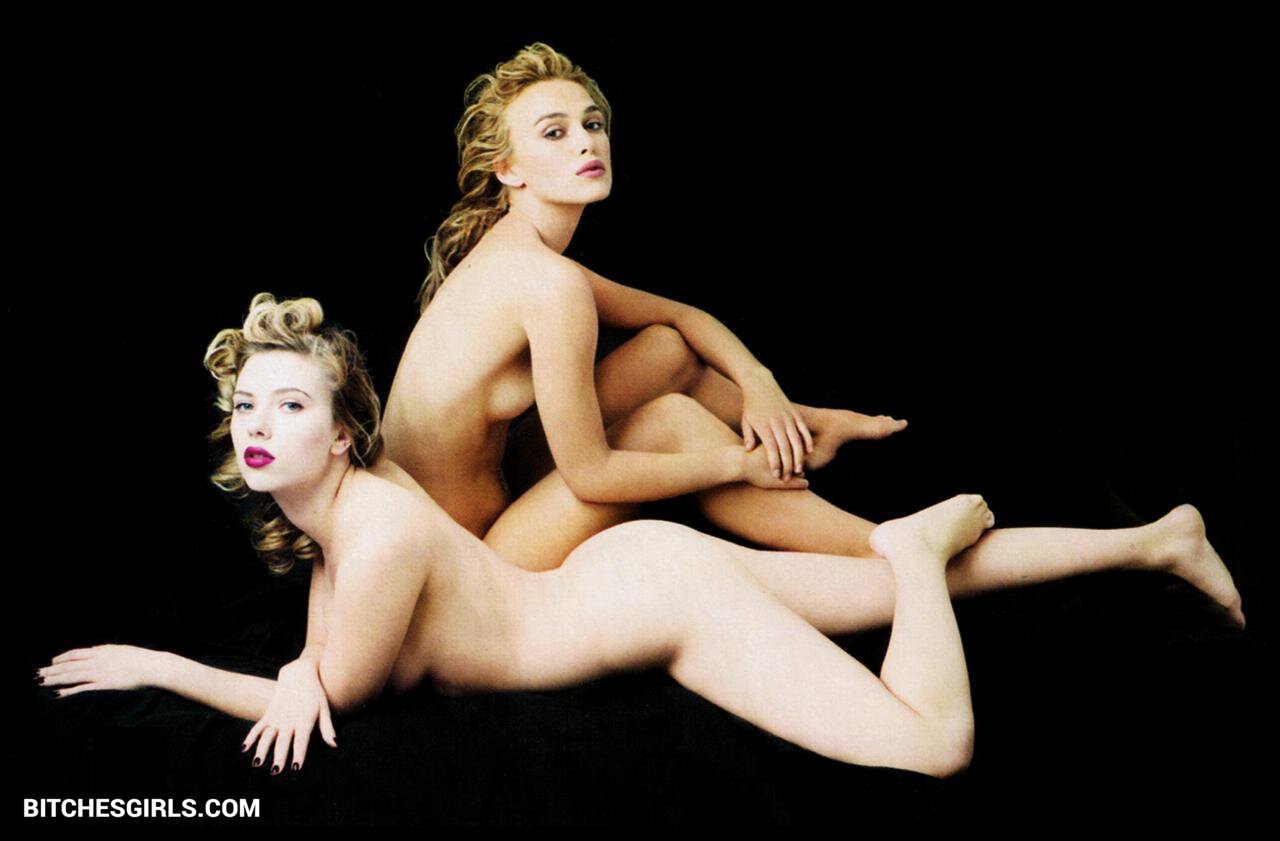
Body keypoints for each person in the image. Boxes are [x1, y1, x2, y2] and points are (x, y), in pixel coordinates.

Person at [380, 43, 1244, 625]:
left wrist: (768, 392)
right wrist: (738, 463)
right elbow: (591, 473)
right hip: (463, 571)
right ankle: (891, 543)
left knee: (671, 353)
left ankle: (814, 451)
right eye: (555, 132)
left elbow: (683, 321)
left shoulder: (525, 256)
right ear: (508, 168)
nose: (586, 143)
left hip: (495, 499)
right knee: (677, 424)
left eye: (593, 123)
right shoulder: (547, 284)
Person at [40, 292, 1003, 779]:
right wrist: (301, 666)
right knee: (904, 595)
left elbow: (332, 700)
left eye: (289, 404)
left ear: (339, 435)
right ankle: (1071, 546)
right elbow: (315, 662)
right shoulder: (348, 510)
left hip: (660, 605)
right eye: (248, 404)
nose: (257, 424)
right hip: (629, 580)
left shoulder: (377, 534)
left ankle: (915, 548)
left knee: (932, 746)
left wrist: (155, 665)